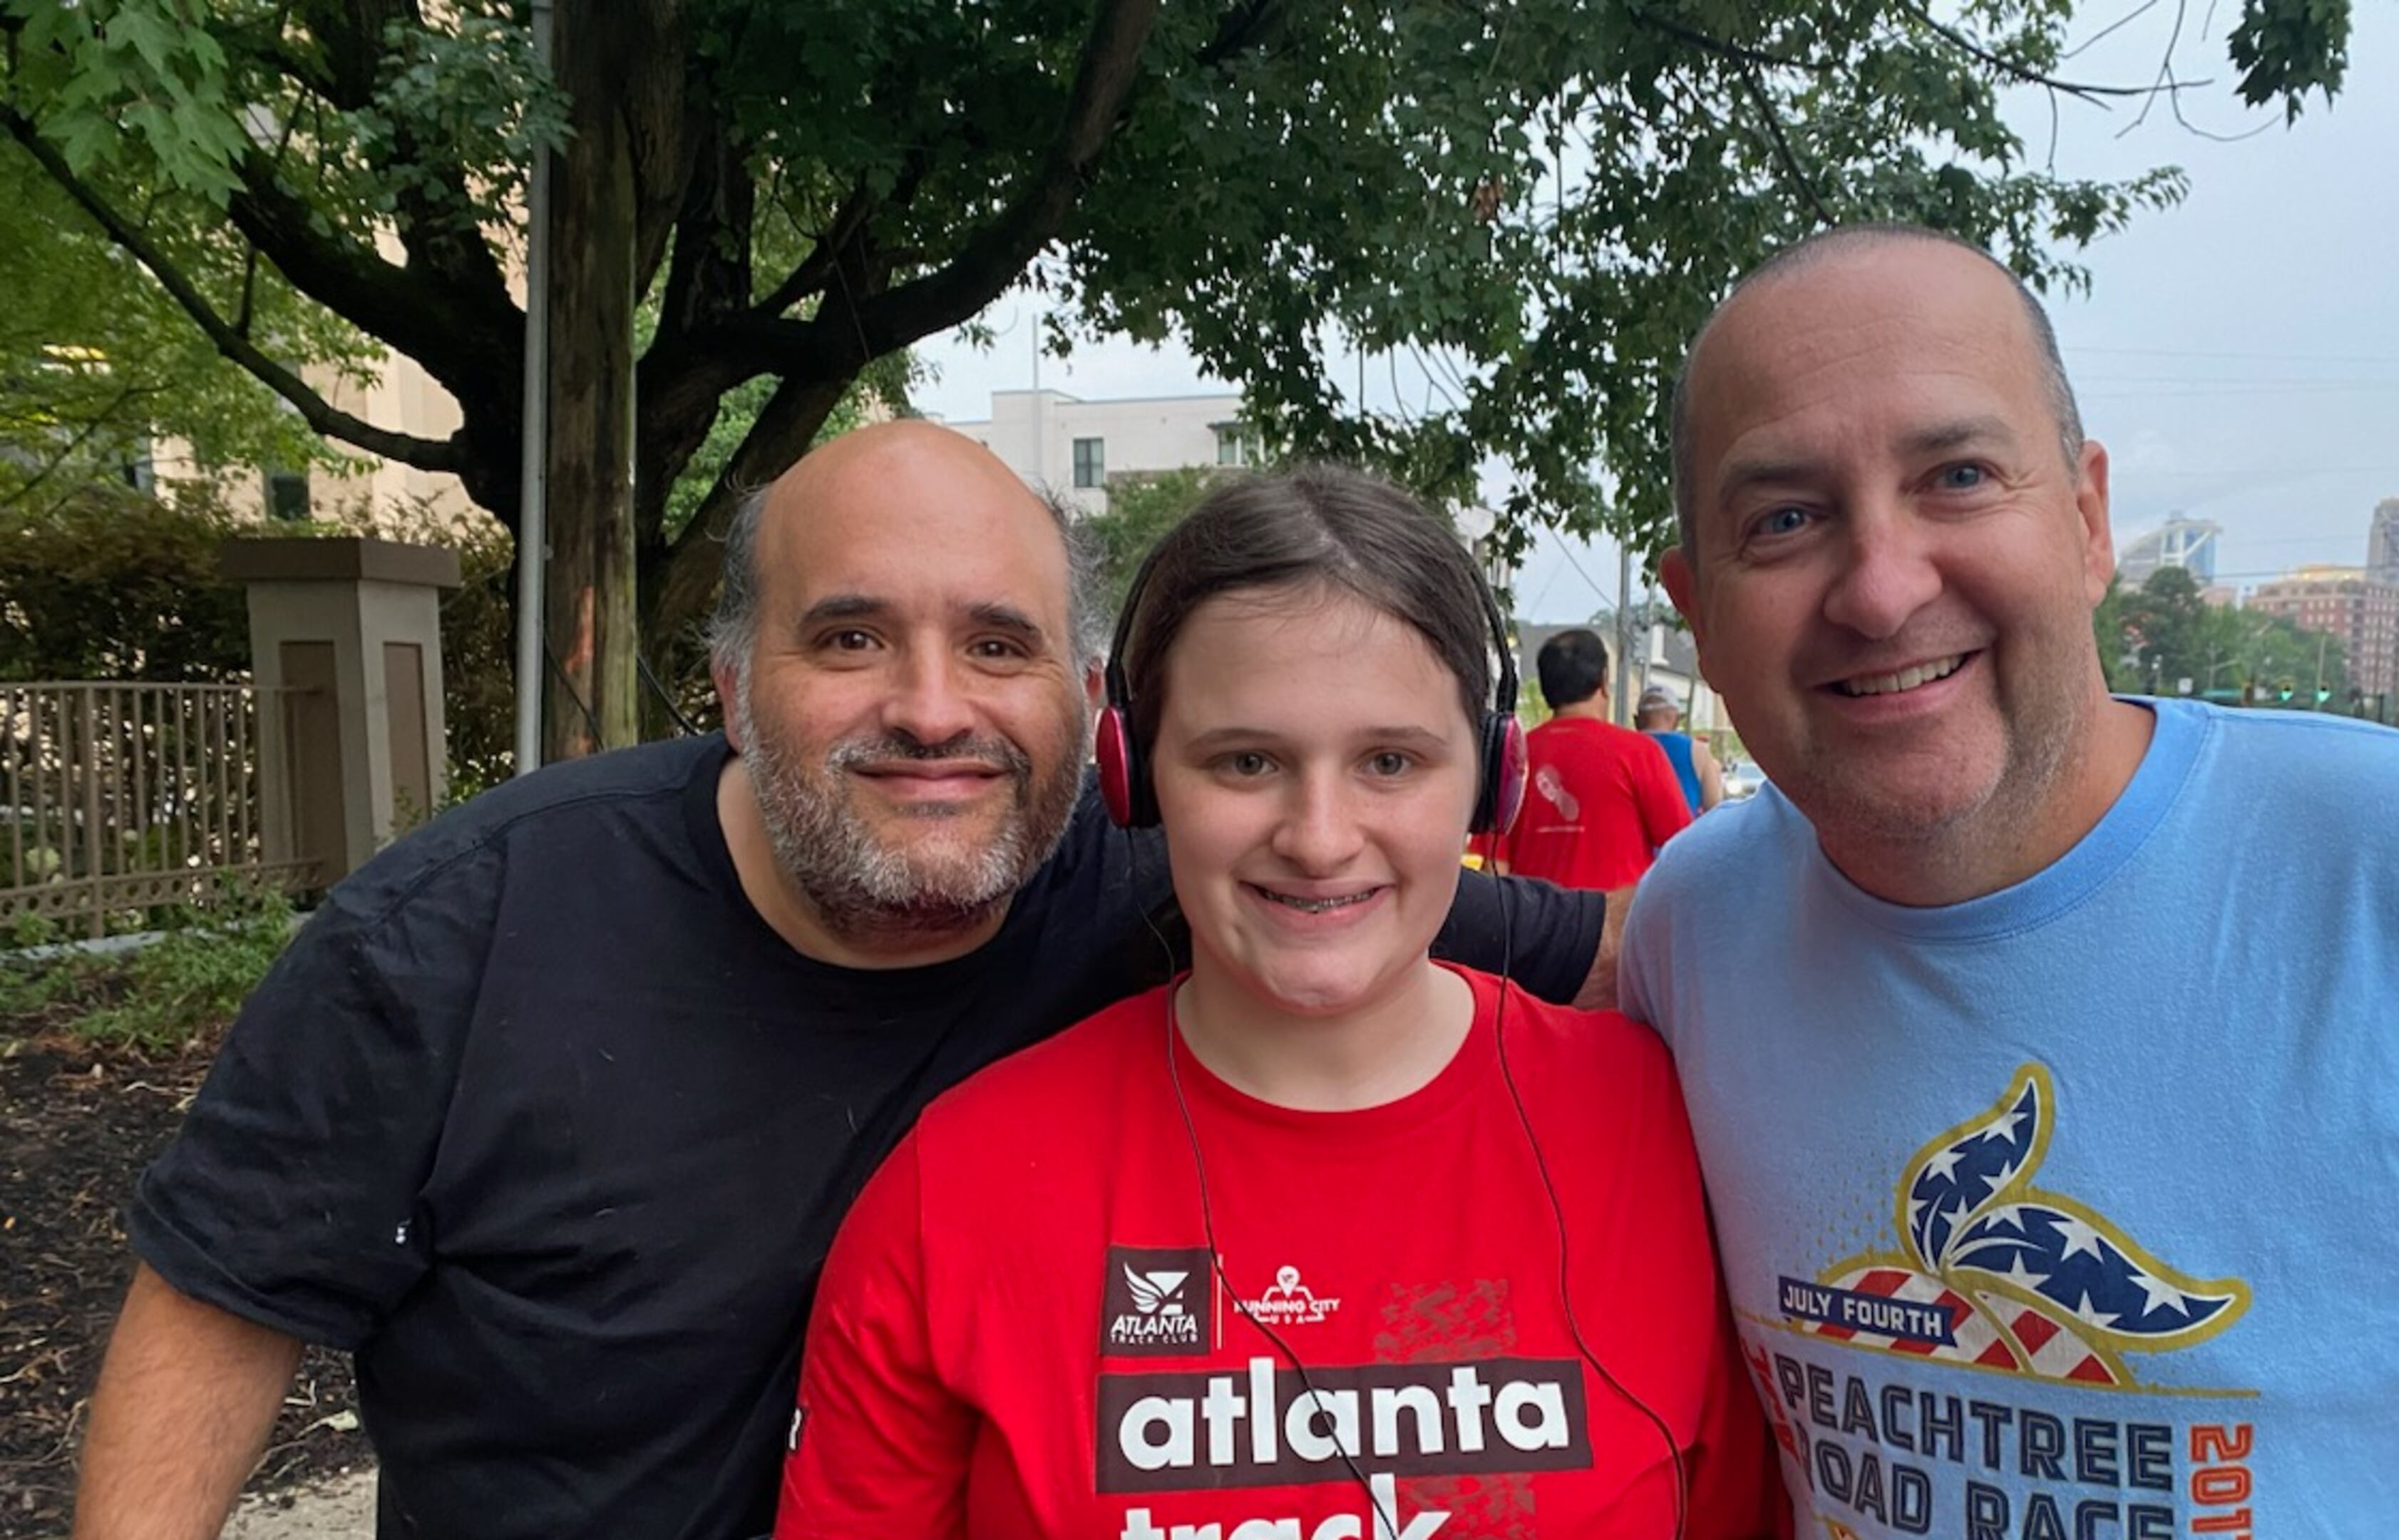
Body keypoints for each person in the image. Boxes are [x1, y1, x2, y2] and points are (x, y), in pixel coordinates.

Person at [72, 424, 1615, 1540]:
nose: (932, 709)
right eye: (853, 636)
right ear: (738, 688)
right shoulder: (457, 941)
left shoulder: (1209, 883)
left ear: (1092, 717)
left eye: (998, 645)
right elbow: (221, 1301)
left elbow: (1622, 946)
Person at [1630, 225, 2399, 1536]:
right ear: (1695, 608)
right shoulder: (1692, 933)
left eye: (1960, 475)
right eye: (1787, 519)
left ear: (2089, 521)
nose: (1879, 587)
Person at [777, 466, 1779, 1538]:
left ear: (1492, 782)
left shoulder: (1669, 1133)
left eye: (1390, 761)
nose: (1319, 837)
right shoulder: (956, 1192)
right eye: (1246, 761)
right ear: (1136, 776)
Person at [1494, 629, 1693, 888]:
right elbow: (1683, 850)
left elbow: (1494, 863)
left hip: (1531, 922)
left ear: (1544, 688)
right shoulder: (1639, 753)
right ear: (1603, 682)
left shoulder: (1512, 758)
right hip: (1618, 922)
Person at [1636, 682, 1725, 815]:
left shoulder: (1620, 748)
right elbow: (1714, 807)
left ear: (1637, 719)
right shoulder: (1697, 750)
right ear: (1676, 719)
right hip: (1683, 833)